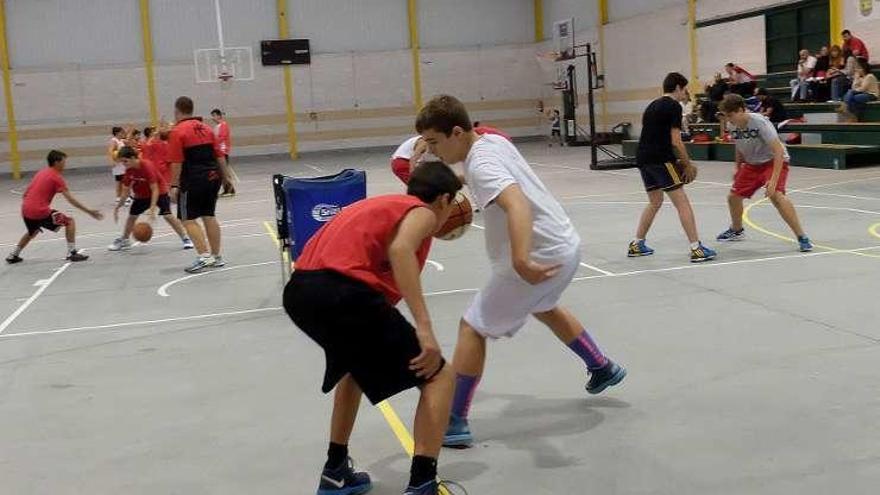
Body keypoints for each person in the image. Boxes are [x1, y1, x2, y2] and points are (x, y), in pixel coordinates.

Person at [415, 95, 626, 449]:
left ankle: (454, 421)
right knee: (543, 306)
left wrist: (520, 259)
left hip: (539, 253)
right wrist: (436, 159)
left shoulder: (482, 166)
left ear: (455, 132)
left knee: (473, 327)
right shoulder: (489, 141)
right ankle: (601, 366)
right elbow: (482, 158)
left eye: (435, 143)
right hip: (565, 244)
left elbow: (517, 205)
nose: (433, 151)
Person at [284, 162, 462, 495]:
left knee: (355, 369)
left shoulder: (381, 208)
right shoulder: (420, 212)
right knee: (439, 376)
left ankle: (335, 471)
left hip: (300, 292)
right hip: (341, 291)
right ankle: (422, 483)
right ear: (444, 200)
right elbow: (400, 250)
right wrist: (424, 327)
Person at [631, 73, 716, 262]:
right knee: (682, 202)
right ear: (678, 87)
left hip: (643, 158)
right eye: (685, 88)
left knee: (655, 201)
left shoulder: (652, 105)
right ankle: (696, 248)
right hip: (661, 159)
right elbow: (676, 141)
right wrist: (687, 164)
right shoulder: (673, 106)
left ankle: (637, 244)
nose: (686, 93)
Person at [716, 94, 812, 252]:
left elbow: (778, 151)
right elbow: (739, 147)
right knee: (733, 197)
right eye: (726, 116)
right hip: (752, 164)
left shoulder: (759, 122)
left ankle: (802, 236)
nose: (728, 120)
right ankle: (737, 230)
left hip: (773, 161)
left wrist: (773, 182)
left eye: (730, 115)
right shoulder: (733, 125)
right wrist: (737, 168)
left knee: (777, 196)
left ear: (741, 110)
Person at [168, 96, 233, 273]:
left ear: (177, 111)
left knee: (187, 218)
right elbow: (219, 155)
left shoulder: (177, 131)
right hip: (213, 177)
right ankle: (216, 257)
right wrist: (226, 178)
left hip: (192, 180)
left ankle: (204, 256)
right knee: (208, 215)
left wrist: (173, 186)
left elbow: (176, 162)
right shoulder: (207, 128)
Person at [6, 150, 103, 264]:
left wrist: (31, 207)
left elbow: (25, 194)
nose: (65, 164)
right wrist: (89, 211)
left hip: (26, 209)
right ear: (57, 162)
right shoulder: (56, 177)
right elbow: (70, 199)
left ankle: (13, 255)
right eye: (63, 161)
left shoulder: (41, 172)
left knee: (33, 231)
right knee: (69, 221)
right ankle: (72, 253)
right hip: (40, 211)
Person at [108, 146, 193, 252]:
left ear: (134, 157)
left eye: (126, 161)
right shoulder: (129, 171)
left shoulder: (146, 166)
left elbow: (155, 189)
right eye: (122, 162)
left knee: (167, 215)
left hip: (160, 192)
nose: (124, 164)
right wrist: (118, 206)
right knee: (131, 217)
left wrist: (152, 209)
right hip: (141, 195)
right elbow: (125, 192)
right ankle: (124, 240)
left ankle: (185, 238)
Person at [211, 109, 235, 197]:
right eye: (212, 116)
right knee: (221, 172)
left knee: (223, 172)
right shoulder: (217, 127)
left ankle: (230, 189)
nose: (213, 118)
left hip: (223, 151)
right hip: (218, 152)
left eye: (214, 115)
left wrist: (214, 143)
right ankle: (227, 189)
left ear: (219, 115)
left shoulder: (223, 125)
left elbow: (221, 138)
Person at [108, 126, 128, 205]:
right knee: (120, 181)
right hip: (117, 163)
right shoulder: (114, 140)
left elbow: (127, 137)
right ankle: (119, 198)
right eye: (121, 132)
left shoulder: (121, 140)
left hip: (122, 163)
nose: (123, 133)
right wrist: (111, 161)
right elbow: (110, 151)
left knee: (122, 181)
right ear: (117, 133)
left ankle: (121, 197)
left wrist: (129, 129)